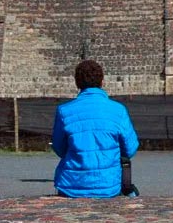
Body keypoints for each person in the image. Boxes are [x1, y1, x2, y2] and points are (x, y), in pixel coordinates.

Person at [52, 60, 139, 198]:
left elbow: (59, 148)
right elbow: (130, 149)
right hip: (108, 185)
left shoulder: (64, 111)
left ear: (77, 83)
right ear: (102, 82)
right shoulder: (118, 110)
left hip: (71, 185)